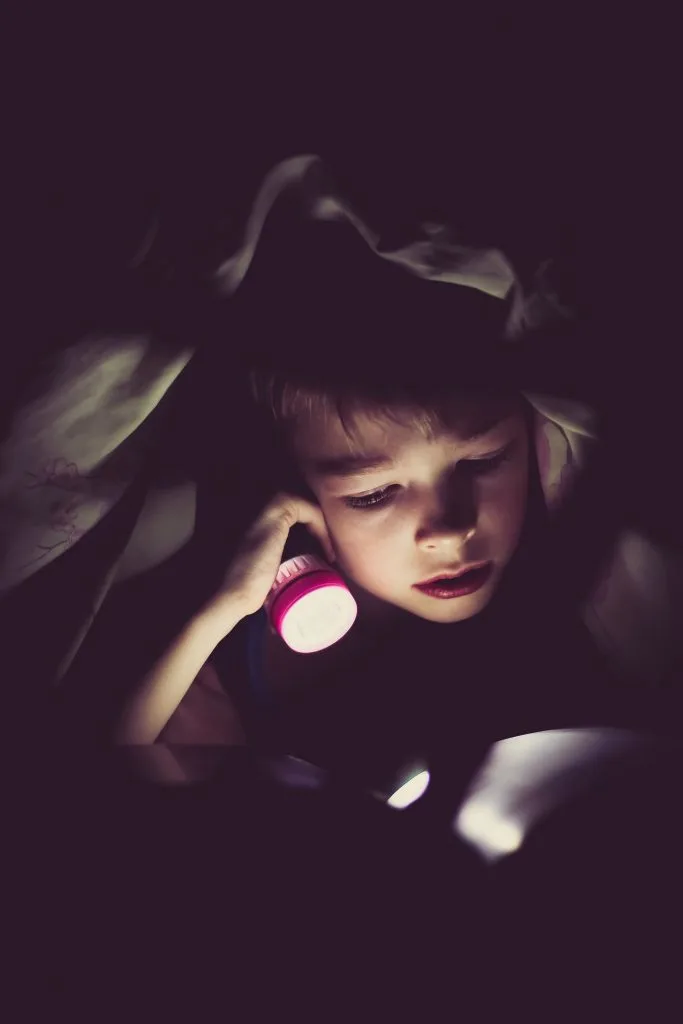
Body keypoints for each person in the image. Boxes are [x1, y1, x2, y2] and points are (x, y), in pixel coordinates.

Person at [115, 221, 615, 789]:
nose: (450, 531)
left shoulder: (570, 595)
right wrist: (226, 606)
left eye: (483, 462)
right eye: (374, 493)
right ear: (301, 493)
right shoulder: (223, 637)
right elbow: (119, 763)